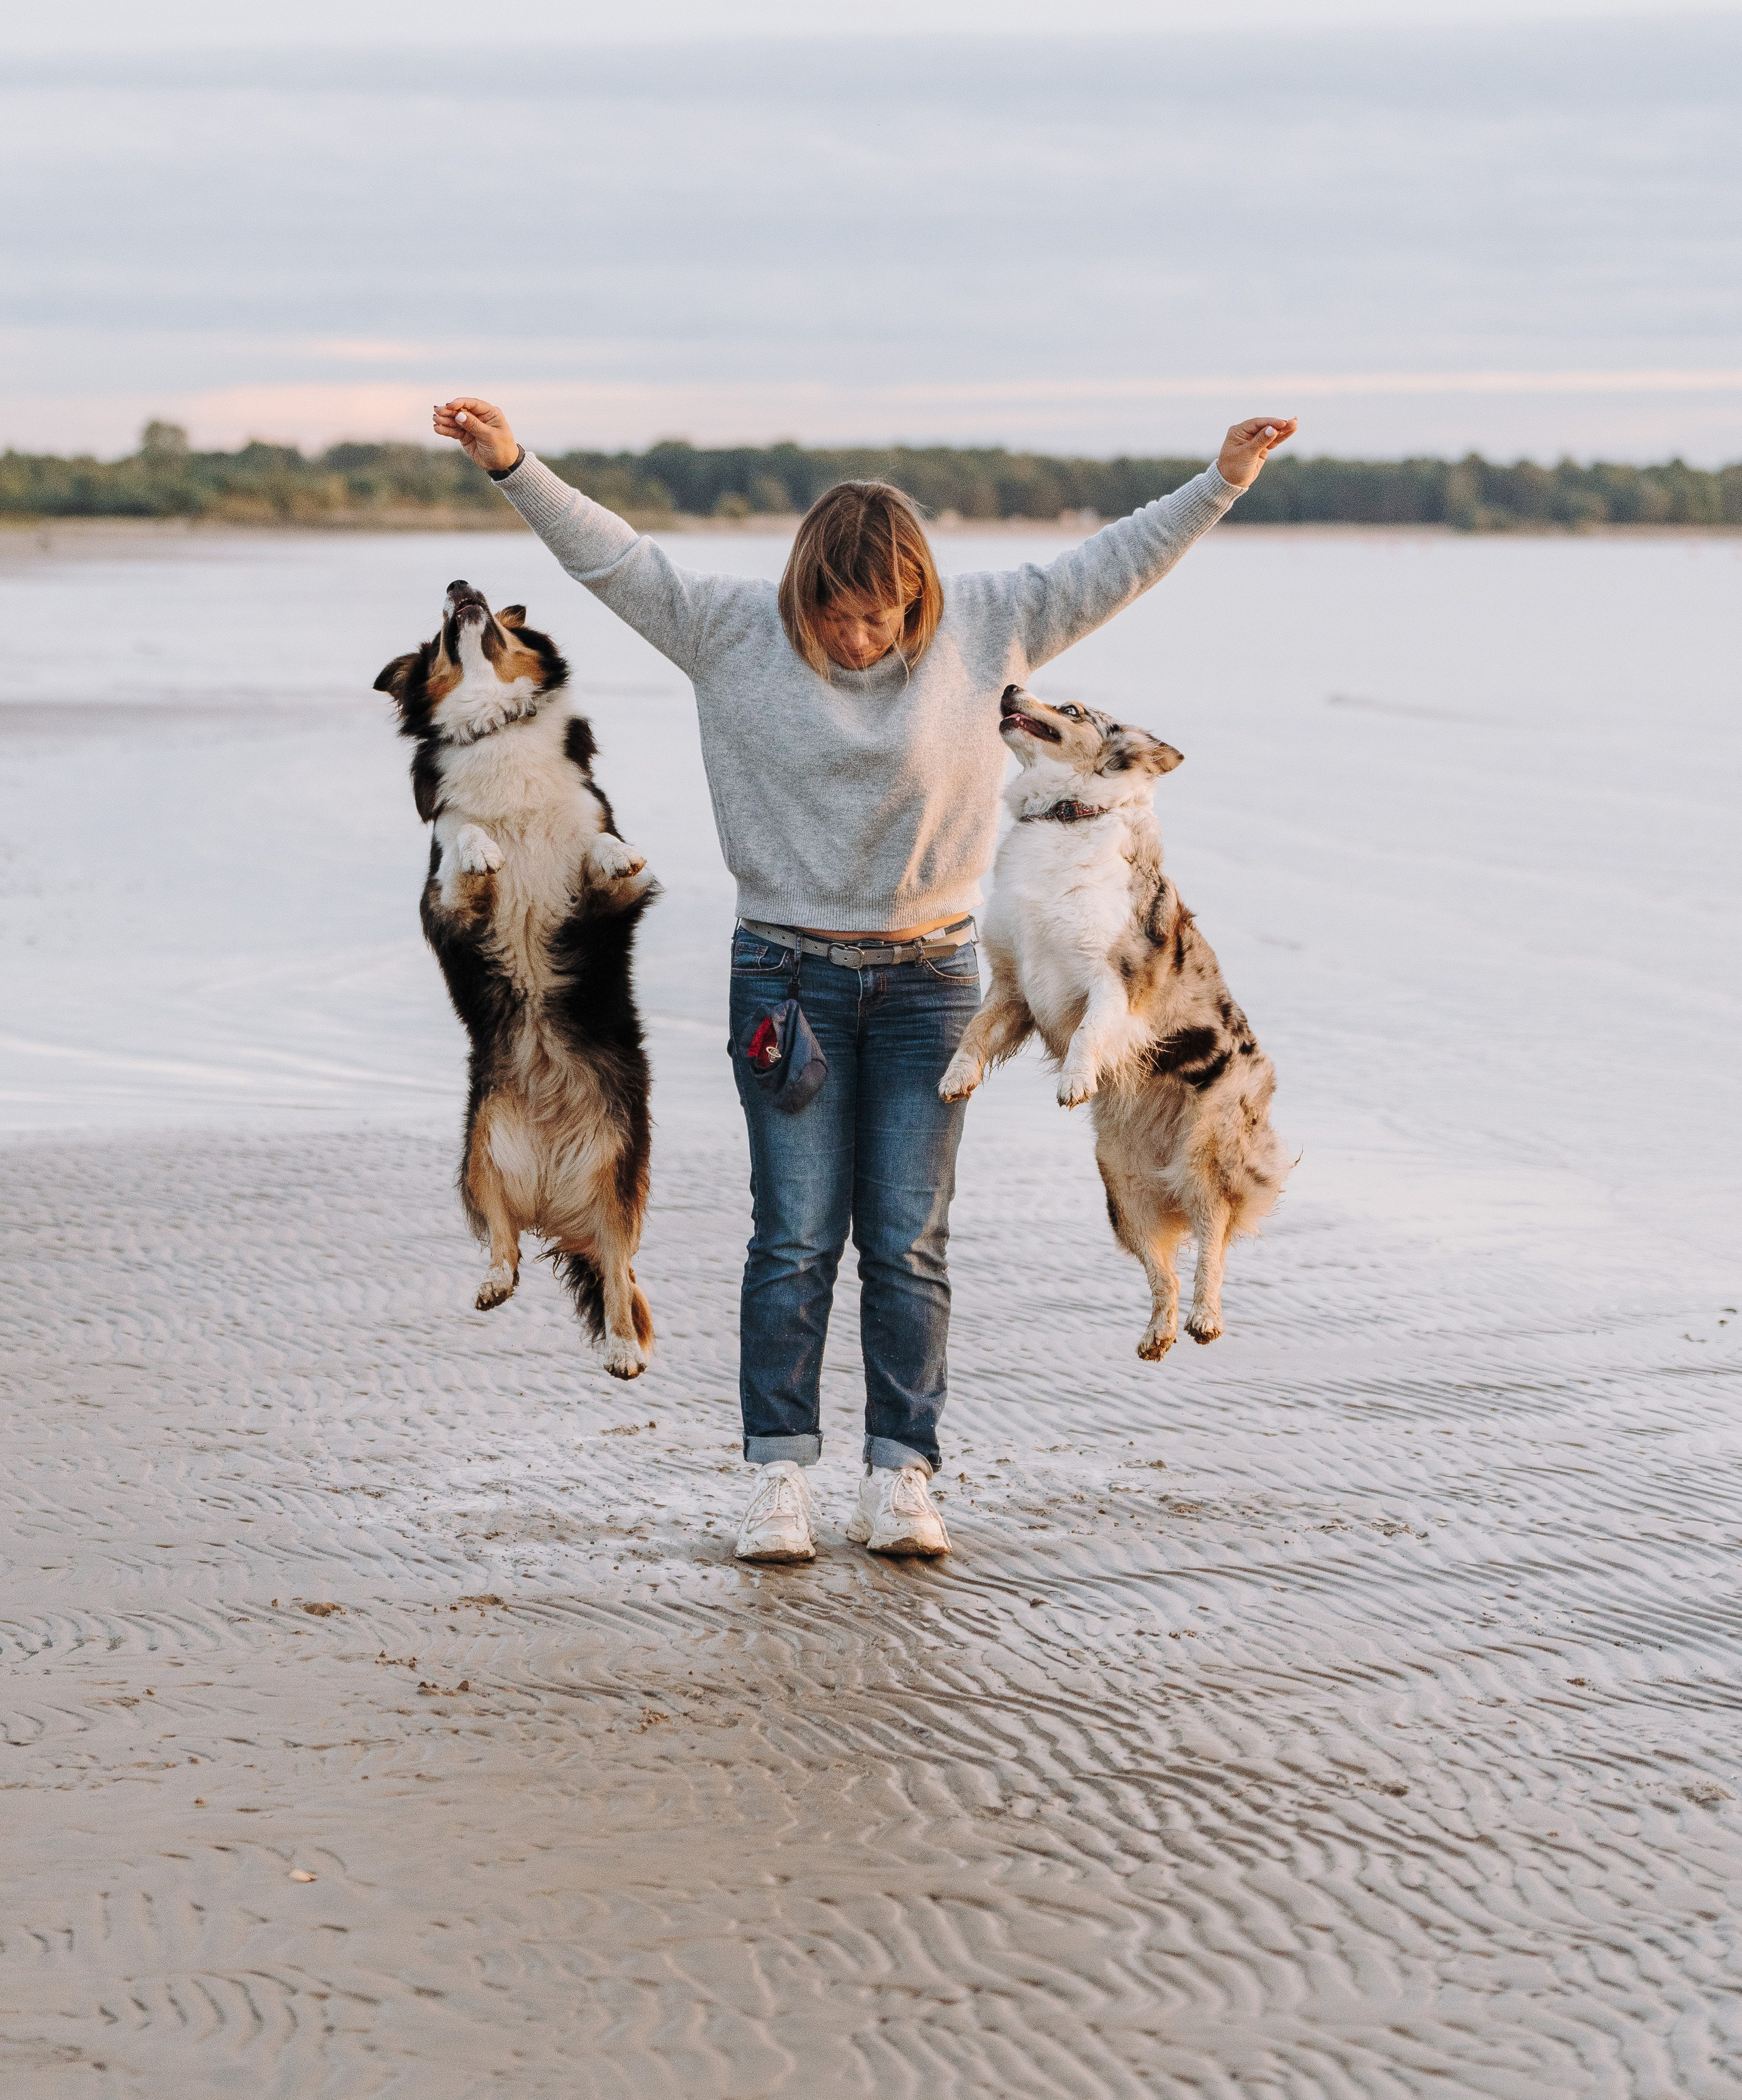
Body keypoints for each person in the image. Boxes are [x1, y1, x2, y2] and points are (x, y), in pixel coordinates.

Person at [433, 397, 1297, 1565]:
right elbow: (612, 557)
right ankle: (777, 1478)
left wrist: (1224, 478)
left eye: (883, 616)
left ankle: (904, 1476)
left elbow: (1116, 563)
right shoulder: (729, 629)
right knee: (791, 1238)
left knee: (906, 1241)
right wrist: (512, 465)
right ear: (806, 598)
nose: (860, 639)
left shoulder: (988, 626)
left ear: (917, 598)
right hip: (784, 975)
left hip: (933, 982)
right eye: (838, 617)